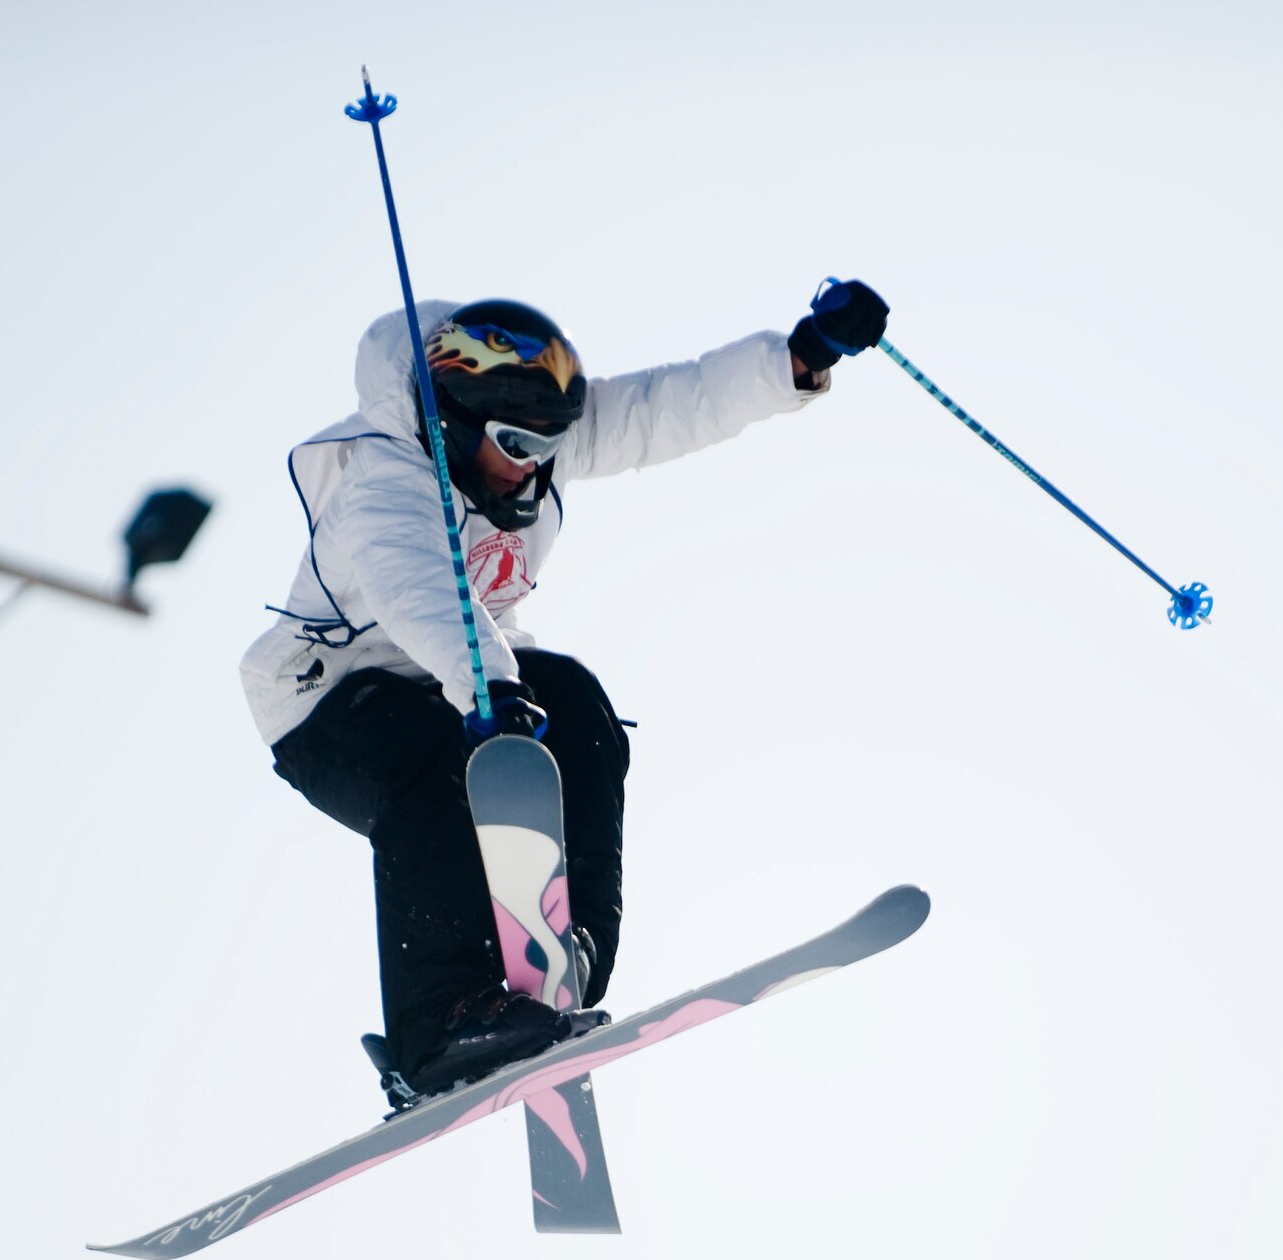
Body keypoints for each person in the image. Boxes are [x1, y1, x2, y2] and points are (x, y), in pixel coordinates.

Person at [240, 282, 888, 1100]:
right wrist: (490, 687)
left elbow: (665, 406)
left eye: (550, 445)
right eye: (515, 442)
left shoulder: (532, 451)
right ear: (454, 423)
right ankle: (436, 1028)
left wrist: (796, 360)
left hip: (460, 680)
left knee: (576, 706)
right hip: (329, 703)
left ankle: (568, 954)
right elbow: (419, 590)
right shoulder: (388, 477)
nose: (534, 465)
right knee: (429, 766)